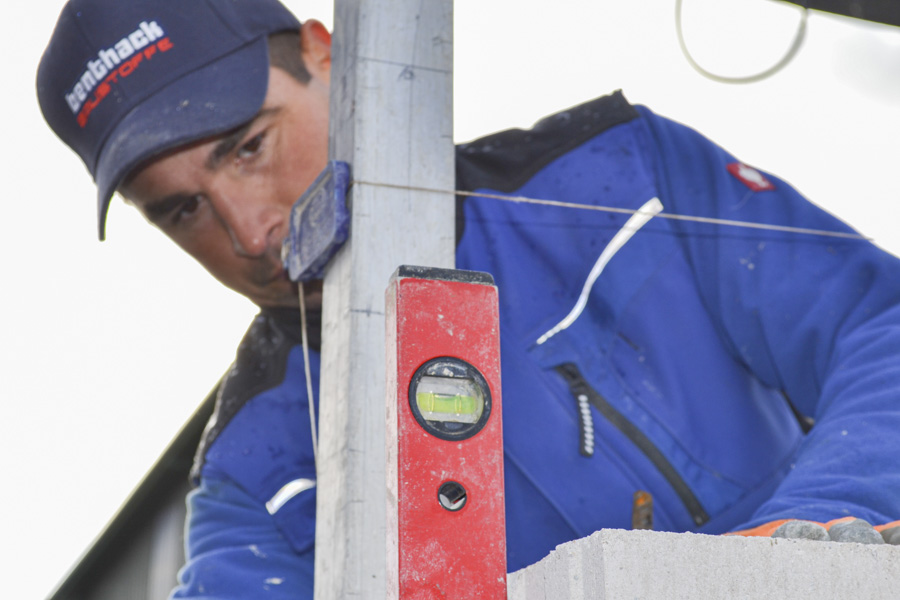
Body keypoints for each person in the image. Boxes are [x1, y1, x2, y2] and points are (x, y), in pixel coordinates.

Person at [37, 0, 900, 597]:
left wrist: (811, 535)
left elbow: (880, 326)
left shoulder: (624, 175)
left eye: (248, 146)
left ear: (327, 52)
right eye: (181, 210)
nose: (251, 231)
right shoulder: (250, 476)